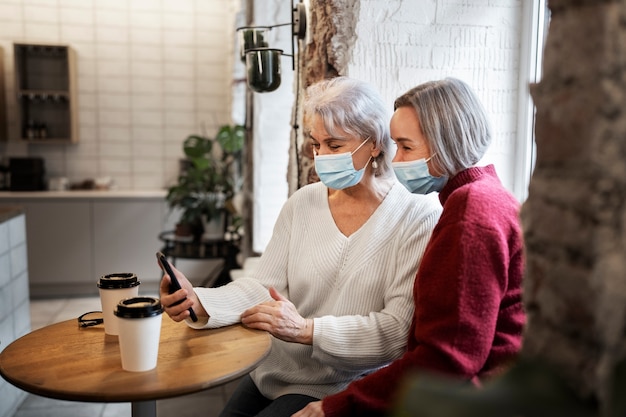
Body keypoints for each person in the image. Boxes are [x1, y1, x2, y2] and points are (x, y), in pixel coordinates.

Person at [159, 76, 442, 417]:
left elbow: (396, 330)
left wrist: (308, 331)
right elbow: (264, 289)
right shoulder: (303, 202)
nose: (321, 157)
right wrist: (200, 300)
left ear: (375, 144)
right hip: (273, 370)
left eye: (334, 146)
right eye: (315, 144)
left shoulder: (416, 217)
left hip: (342, 383)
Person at [293, 77, 526, 417]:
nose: (396, 158)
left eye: (405, 146)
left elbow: (449, 358)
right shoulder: (485, 196)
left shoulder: (470, 214)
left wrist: (335, 406)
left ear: (445, 143)